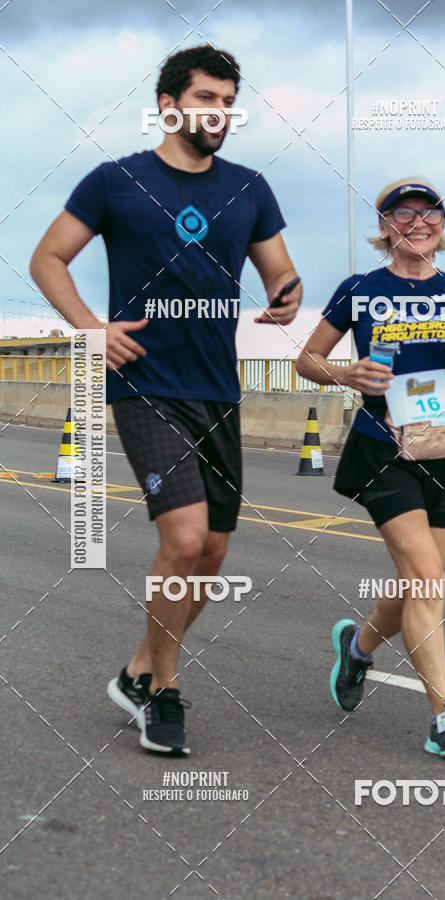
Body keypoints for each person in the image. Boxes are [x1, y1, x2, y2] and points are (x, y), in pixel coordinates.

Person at [30, 45, 302, 755]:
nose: (219, 112)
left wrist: (285, 297)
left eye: (227, 100)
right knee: (181, 541)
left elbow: (282, 274)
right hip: (146, 382)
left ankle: (137, 669)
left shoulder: (249, 188)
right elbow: (47, 258)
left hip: (216, 386)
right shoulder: (116, 181)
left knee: (210, 552)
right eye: (206, 98)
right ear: (170, 104)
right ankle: (165, 688)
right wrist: (93, 330)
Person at [296, 177, 445, 757]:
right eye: (403, 213)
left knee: (418, 580)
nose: (418, 221)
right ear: (385, 226)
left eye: (429, 212)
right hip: (381, 447)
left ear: (441, 226)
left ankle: (357, 650)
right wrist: (346, 373)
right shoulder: (360, 289)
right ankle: (443, 722)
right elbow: (308, 358)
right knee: (430, 583)